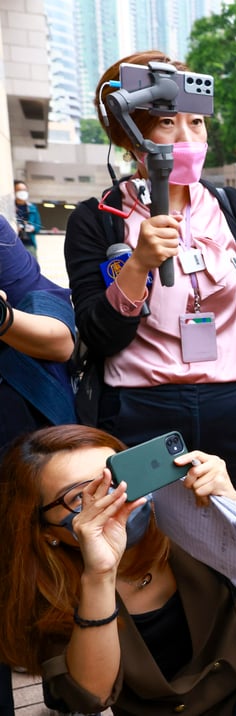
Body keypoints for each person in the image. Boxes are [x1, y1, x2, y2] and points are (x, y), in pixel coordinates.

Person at [64, 50, 236, 503]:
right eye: (165, 122)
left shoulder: (234, 208)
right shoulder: (96, 220)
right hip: (141, 410)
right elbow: (97, 333)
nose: (186, 136)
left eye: (195, 122)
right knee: (149, 544)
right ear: (130, 135)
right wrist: (138, 265)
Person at [0, 424, 236, 715]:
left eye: (115, 478)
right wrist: (99, 574)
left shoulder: (176, 510)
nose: (115, 499)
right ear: (45, 530)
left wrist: (234, 501)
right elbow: (90, 696)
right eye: (83, 496)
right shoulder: (48, 586)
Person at [0, 218, 76, 715]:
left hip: (16, 452)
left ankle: (67, 685)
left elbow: (59, 333)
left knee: (44, 579)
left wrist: (4, 321)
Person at [14, 180, 42, 256]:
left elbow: (38, 226)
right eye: (19, 190)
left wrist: (33, 228)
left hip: (29, 243)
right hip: (14, 243)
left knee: (32, 265)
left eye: (24, 190)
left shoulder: (33, 208)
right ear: (14, 192)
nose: (22, 192)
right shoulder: (10, 208)